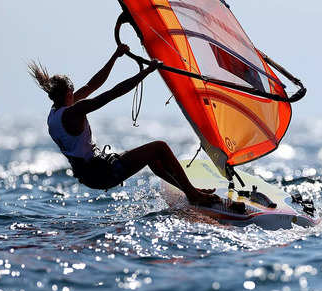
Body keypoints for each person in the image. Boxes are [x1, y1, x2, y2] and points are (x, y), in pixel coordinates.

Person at [28, 44, 218, 205]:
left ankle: (190, 190)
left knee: (152, 156)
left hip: (91, 174)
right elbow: (111, 94)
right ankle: (193, 195)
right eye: (73, 92)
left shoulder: (56, 112)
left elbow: (91, 86)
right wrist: (146, 72)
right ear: (69, 94)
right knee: (160, 147)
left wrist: (115, 57)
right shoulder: (73, 111)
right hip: (101, 172)